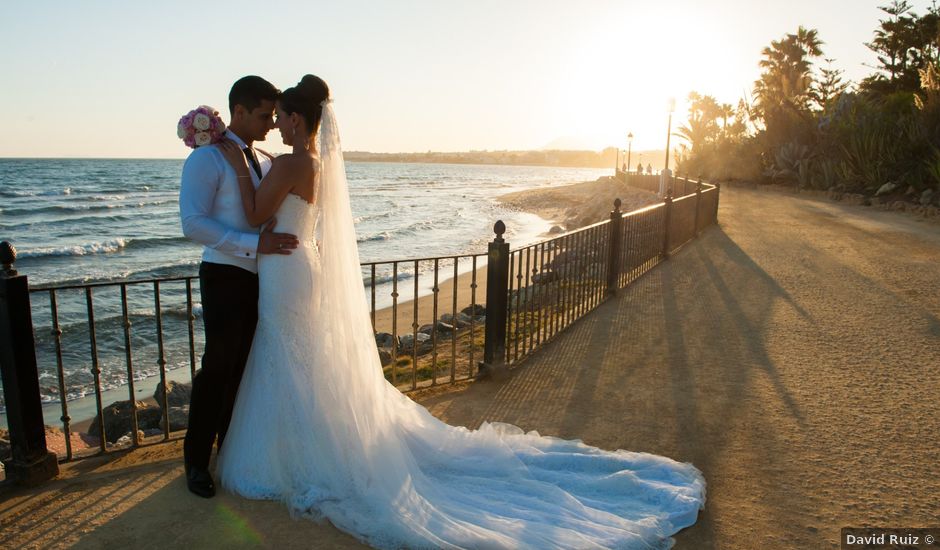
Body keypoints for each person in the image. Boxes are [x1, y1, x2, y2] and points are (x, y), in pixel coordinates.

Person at [216, 74, 706, 548]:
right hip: (301, 263)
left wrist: (236, 161)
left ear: (298, 120)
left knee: (290, 351)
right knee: (300, 357)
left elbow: (258, 214)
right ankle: (308, 445)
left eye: (280, 117)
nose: (276, 125)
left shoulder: (286, 164)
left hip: (285, 268)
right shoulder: (312, 163)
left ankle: (297, 454)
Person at [178, 75, 299, 499]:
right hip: (225, 276)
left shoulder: (265, 160)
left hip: (265, 278)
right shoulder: (206, 159)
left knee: (246, 368)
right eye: (264, 115)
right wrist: (253, 244)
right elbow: (192, 223)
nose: (270, 123)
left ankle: (230, 449)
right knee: (218, 367)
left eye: (273, 115)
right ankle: (195, 461)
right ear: (239, 111)